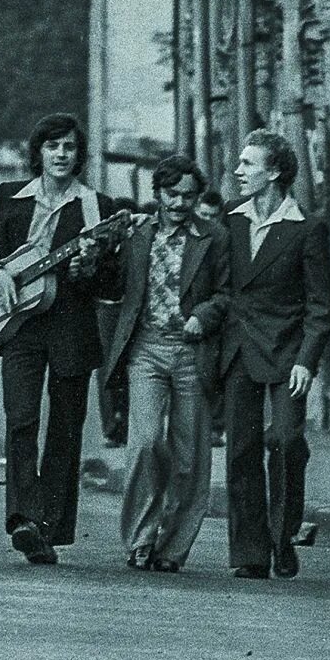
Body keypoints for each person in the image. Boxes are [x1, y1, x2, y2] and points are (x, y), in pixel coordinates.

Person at [0, 112, 122, 565]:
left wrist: (91, 265)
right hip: (20, 325)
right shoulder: (12, 197)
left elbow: (112, 284)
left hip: (71, 325)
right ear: (39, 153)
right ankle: (24, 518)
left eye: (69, 147)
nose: (61, 154)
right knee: (22, 417)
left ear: (79, 154)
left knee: (66, 427)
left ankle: (50, 525)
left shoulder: (97, 207)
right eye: (53, 146)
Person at [100, 154, 230, 572]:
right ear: (157, 193)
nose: (178, 203)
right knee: (144, 442)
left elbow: (228, 295)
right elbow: (112, 283)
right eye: (171, 194)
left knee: (190, 455)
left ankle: (172, 548)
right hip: (146, 349)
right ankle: (140, 539)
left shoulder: (214, 237)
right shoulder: (138, 232)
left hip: (192, 351)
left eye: (187, 196)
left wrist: (203, 316)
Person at [217, 128, 330, 580]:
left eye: (248, 164)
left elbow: (321, 305)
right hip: (239, 350)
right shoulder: (232, 219)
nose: (238, 171)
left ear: (275, 173)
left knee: (286, 441)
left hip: (288, 352)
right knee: (242, 449)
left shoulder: (306, 228)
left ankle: (282, 538)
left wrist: (307, 358)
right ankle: (250, 552)